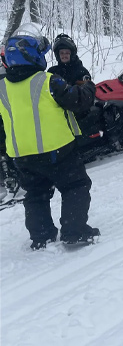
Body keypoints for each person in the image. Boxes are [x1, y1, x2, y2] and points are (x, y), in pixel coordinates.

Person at [0, 23, 99, 250]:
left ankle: (41, 236)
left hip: (22, 155)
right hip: (57, 150)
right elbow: (79, 101)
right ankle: (74, 232)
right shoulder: (47, 81)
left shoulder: (2, 88)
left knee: (35, 194)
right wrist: (89, 86)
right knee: (75, 186)